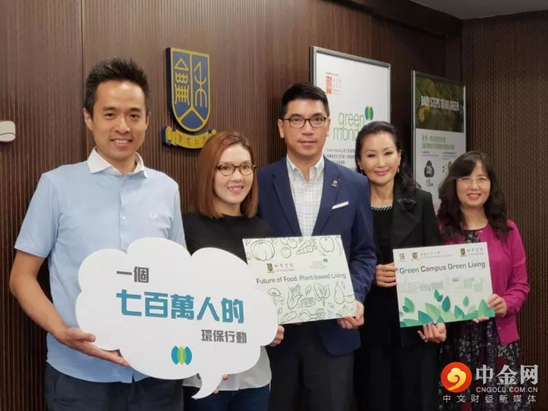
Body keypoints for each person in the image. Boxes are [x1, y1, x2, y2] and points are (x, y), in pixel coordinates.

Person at [9, 57, 185, 410]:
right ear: (88, 118)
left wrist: (209, 350)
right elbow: (21, 277)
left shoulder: (166, 189)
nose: (123, 126)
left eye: (134, 115)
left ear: (147, 120)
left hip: (156, 374)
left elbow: (180, 278)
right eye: (110, 114)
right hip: (79, 377)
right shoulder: (56, 185)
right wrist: (60, 331)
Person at [257, 83, 377, 411]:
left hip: (334, 335)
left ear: (328, 125)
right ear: (281, 127)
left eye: (317, 120)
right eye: (296, 120)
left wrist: (355, 296)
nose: (307, 129)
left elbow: (365, 252)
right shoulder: (260, 182)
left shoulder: (354, 184)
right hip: (277, 338)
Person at [182, 131, 284, 411]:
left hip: (253, 376)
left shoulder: (264, 233)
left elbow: (270, 302)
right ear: (209, 172)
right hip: (202, 375)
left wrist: (273, 328)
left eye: (245, 167)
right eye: (226, 167)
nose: (237, 177)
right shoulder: (186, 228)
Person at [352, 121, 446, 411]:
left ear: (400, 156)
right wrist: (369, 275)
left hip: (415, 327)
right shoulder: (348, 203)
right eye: (371, 155)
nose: (380, 163)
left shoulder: (421, 201)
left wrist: (439, 319)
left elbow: (435, 264)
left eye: (388, 153)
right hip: (368, 329)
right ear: (359, 161)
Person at [437, 151, 530, 410]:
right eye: (466, 178)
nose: (474, 186)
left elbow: (520, 285)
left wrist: (505, 304)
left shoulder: (508, 231)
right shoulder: (439, 231)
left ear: (491, 184)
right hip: (454, 338)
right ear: (454, 184)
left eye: (482, 178)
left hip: (498, 338)